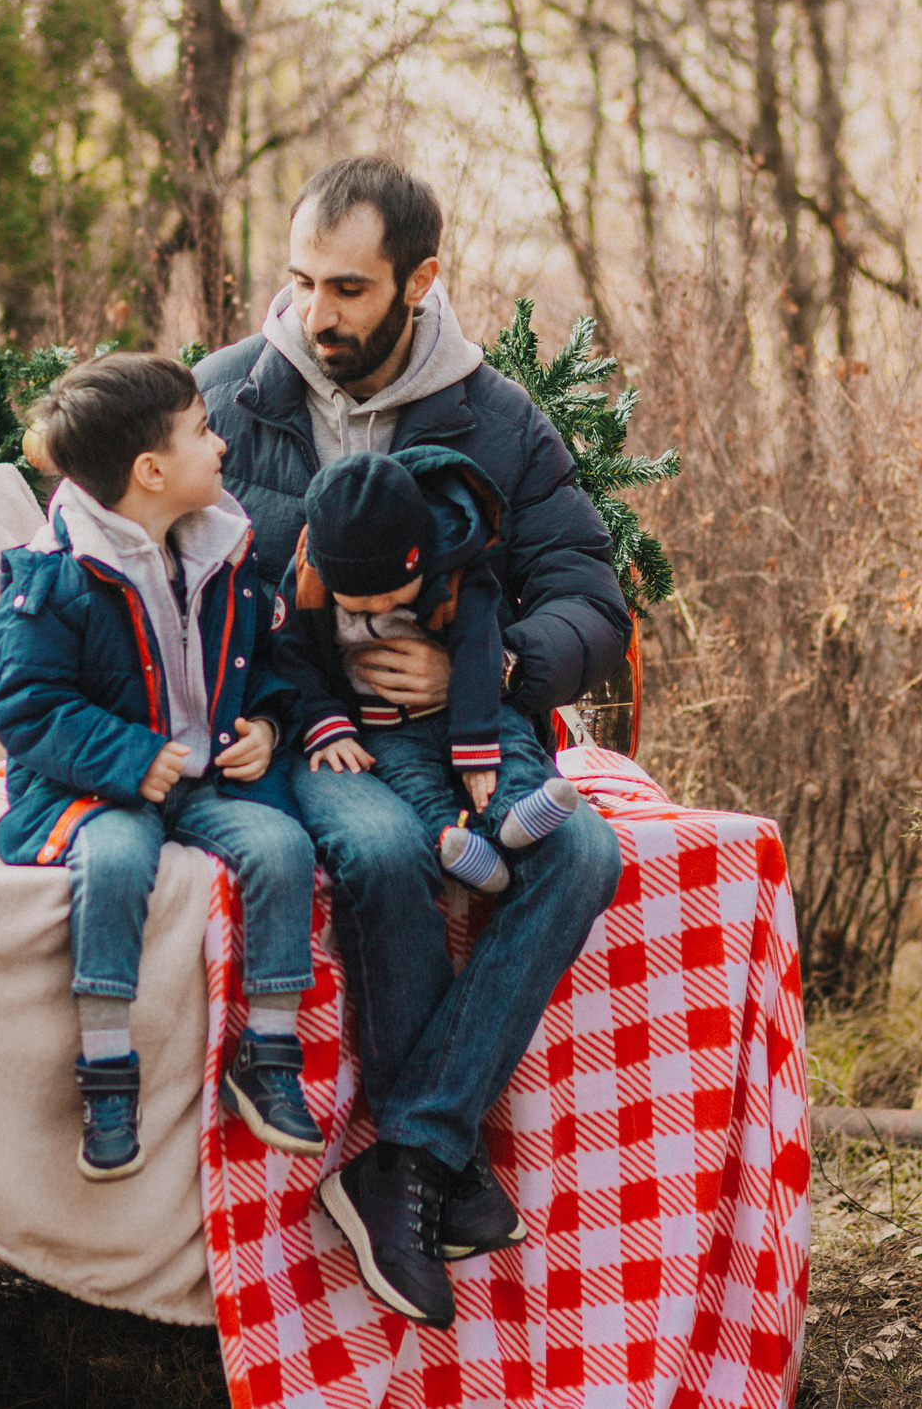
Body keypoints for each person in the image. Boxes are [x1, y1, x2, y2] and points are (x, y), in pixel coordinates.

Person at [195, 155, 629, 1328]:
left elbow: (588, 591)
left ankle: (409, 1158)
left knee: (586, 855)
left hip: (457, 728)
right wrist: (219, 696)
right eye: (299, 284)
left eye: (347, 290)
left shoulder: (494, 421)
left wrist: (488, 665)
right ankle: (439, 1162)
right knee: (385, 850)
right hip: (296, 731)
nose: (313, 316)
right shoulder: (226, 397)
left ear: (420, 281)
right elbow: (120, 559)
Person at [0, 352, 327, 1182]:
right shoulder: (55, 575)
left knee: (282, 846)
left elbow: (263, 656)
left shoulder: (221, 550)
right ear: (151, 469)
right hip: (88, 784)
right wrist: (133, 760)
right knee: (119, 856)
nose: (221, 447)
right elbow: (27, 705)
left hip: (203, 775)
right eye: (204, 431)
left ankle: (270, 1055)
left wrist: (267, 727)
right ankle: (106, 1070)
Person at [275, 448, 584, 895]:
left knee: (509, 748)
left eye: (394, 595)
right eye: (359, 604)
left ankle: (518, 811)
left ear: (420, 559)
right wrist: (327, 722)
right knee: (409, 780)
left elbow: (481, 650)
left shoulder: (460, 573)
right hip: (384, 727)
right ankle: (453, 841)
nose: (381, 608)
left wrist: (475, 743)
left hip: (472, 704)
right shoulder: (310, 576)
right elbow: (291, 652)